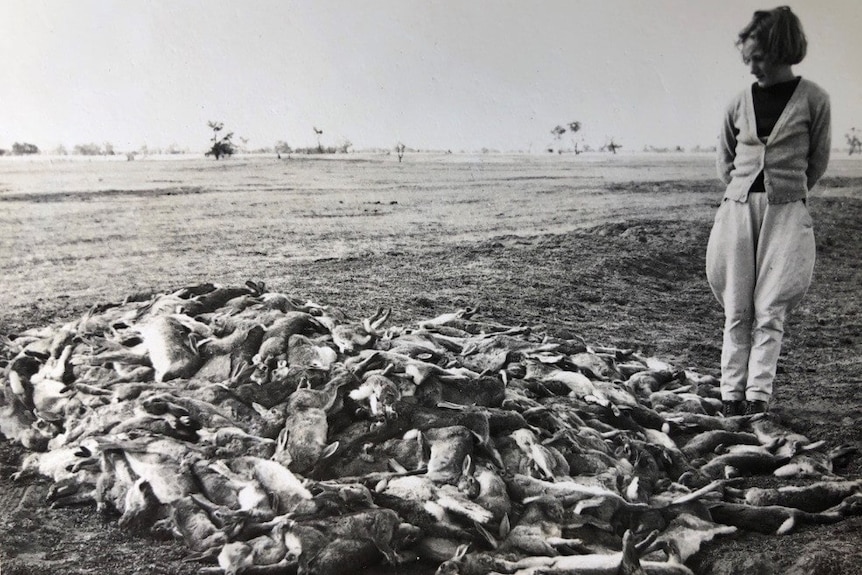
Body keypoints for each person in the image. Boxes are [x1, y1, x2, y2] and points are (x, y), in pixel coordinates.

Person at [706, 6, 831, 417]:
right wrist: (745, 196)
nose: (752, 66)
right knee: (737, 306)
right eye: (749, 58)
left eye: (758, 57)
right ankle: (731, 396)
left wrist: (788, 194)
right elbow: (725, 161)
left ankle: (757, 397)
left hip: (787, 212)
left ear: (781, 51)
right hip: (739, 211)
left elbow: (817, 161)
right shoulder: (738, 102)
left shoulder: (814, 99)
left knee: (770, 307)